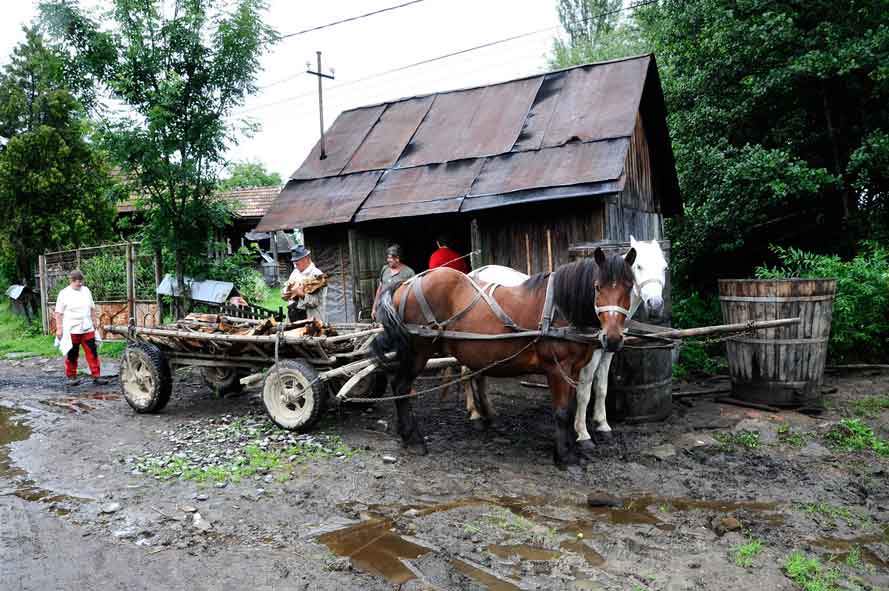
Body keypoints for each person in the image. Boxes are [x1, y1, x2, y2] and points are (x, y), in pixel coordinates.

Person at [54, 270, 107, 386]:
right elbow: (58, 313)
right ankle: (72, 377)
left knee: (92, 352)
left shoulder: (86, 291)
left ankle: (96, 376)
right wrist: (59, 328)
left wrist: (94, 321)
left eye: (81, 281)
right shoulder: (64, 293)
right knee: (72, 354)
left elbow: (92, 307)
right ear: (71, 281)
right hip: (72, 328)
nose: (80, 284)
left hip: (87, 327)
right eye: (77, 281)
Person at [281, 245, 327, 324]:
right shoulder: (295, 272)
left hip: (311, 319)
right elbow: (287, 290)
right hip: (294, 316)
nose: (295, 265)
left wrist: (301, 294)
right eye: (294, 262)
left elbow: (316, 302)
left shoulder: (317, 275)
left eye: (297, 262)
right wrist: (285, 295)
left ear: (306, 258)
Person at [372, 244, 415, 320]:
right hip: (382, 310)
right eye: (388, 257)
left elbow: (413, 296)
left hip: (398, 313)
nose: (388, 260)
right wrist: (374, 308)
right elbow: (379, 289)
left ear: (397, 258)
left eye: (390, 258)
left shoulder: (409, 273)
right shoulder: (385, 269)